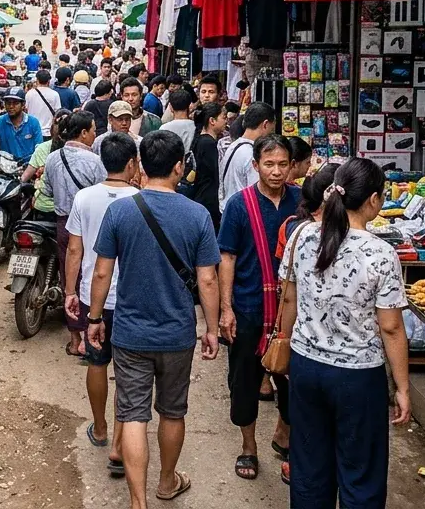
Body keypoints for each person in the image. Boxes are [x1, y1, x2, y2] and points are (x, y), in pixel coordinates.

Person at [86, 130, 221, 508]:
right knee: (172, 411)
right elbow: (207, 279)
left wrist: (95, 318)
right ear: (180, 167)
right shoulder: (198, 215)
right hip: (177, 334)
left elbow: (101, 273)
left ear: (141, 167)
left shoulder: (121, 211)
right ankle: (166, 482)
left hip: (130, 332)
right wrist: (211, 329)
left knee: (132, 414)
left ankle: (137, 501)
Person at [280, 158, 411, 507]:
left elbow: (289, 298)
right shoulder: (382, 254)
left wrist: (288, 348)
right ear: (373, 200)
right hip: (358, 378)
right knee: (361, 476)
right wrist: (403, 387)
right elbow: (391, 326)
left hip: (306, 366)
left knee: (309, 469)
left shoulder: (303, 236)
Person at [218, 134, 301, 481]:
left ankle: (286, 438)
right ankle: (248, 446)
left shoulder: (300, 201)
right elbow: (227, 257)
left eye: (283, 164)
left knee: (293, 384)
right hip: (250, 306)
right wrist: (226, 308)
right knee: (244, 381)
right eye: (269, 164)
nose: (277, 171)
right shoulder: (239, 205)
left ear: (292, 166)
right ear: (255, 166)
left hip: (293, 312)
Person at [65, 132, 139, 474]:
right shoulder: (141, 199)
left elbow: (75, 250)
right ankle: (121, 441)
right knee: (128, 372)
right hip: (129, 297)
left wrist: (70, 291)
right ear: (131, 163)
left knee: (97, 363)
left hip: (92, 296)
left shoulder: (84, 198)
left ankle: (100, 426)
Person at [43, 112, 106, 356]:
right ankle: (94, 333)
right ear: (83, 133)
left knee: (68, 277)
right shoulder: (94, 161)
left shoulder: (52, 158)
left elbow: (47, 190)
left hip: (63, 224)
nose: (95, 134)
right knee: (92, 275)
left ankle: (74, 339)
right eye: (92, 129)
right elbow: (102, 190)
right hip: (90, 225)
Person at [217, 102, 277, 212]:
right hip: (244, 215)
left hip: (229, 210)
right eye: (271, 129)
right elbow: (258, 193)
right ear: (265, 124)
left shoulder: (234, 146)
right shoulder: (251, 154)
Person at [189, 102, 226, 233]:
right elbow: (216, 174)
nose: (226, 121)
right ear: (212, 121)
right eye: (223, 117)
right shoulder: (208, 144)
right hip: (208, 200)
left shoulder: (200, 140)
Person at [0, 87, 43, 163]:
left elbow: (39, 147)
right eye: (8, 103)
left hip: (28, 166)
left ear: (23, 104)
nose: (11, 106)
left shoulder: (33, 122)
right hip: (6, 166)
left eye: (15, 103)